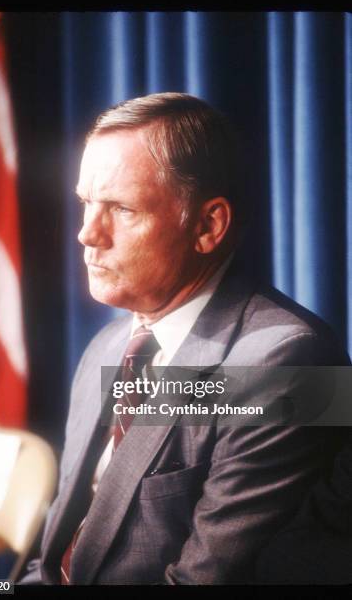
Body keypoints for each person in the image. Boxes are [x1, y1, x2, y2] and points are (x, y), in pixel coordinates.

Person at [19, 92, 351, 585]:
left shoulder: (289, 364)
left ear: (207, 225)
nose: (87, 234)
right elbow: (51, 561)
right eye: (87, 204)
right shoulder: (105, 350)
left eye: (122, 209)